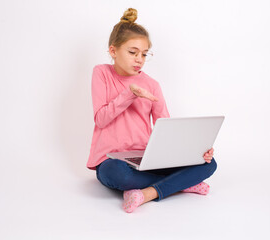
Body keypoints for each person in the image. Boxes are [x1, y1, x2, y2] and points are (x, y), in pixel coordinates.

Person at [87, 8, 217, 213]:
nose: (139, 59)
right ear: (113, 51)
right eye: (132, 52)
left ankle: (146, 193)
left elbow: (165, 129)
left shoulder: (152, 84)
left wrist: (194, 152)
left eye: (144, 54)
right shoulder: (101, 73)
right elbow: (101, 119)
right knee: (118, 175)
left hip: (147, 158)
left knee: (209, 164)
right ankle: (181, 184)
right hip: (111, 160)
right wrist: (129, 94)